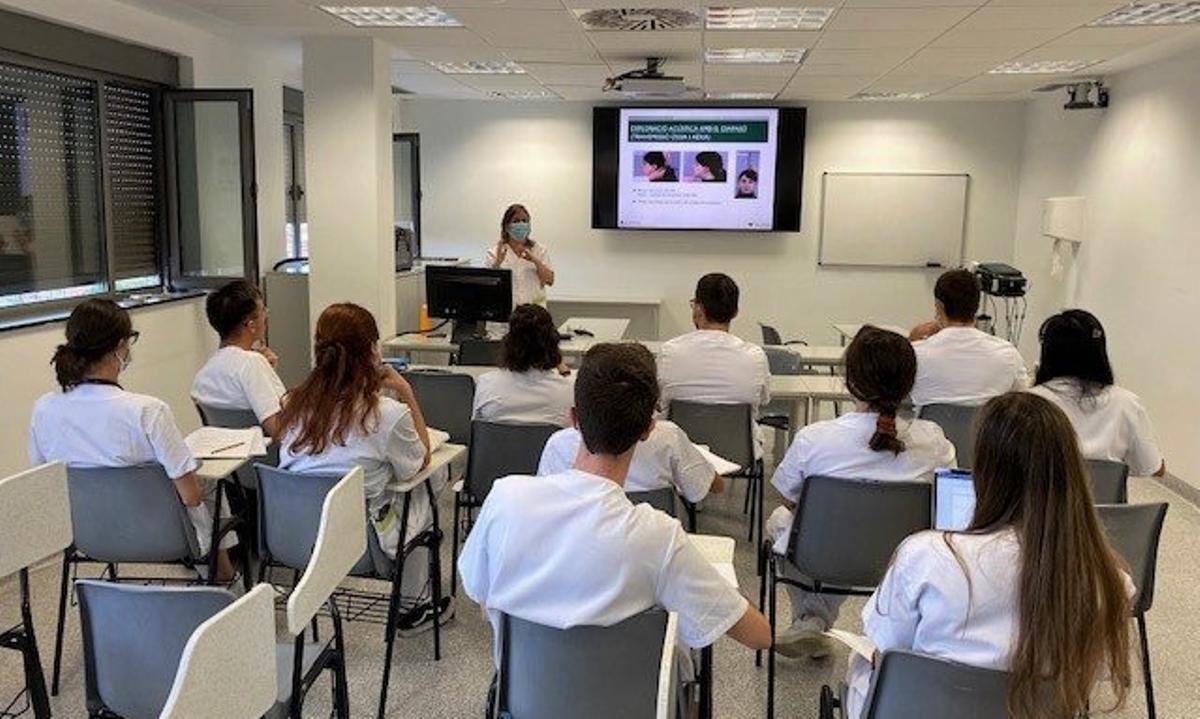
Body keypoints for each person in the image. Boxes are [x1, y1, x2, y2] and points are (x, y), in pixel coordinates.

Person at [459, 343, 771, 694]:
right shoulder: (659, 537)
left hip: (523, 704)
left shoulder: (505, 499)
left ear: (573, 419)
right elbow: (759, 636)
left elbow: (484, 601)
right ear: (648, 429)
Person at [843, 392, 1133, 719]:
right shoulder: (1107, 581)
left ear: (984, 471)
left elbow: (886, 648)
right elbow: (1094, 675)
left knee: (863, 665)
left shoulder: (927, 556)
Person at [766, 327, 955, 658]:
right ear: (909, 383)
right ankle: (821, 620)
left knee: (780, 520)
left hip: (825, 554)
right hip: (904, 562)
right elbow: (945, 504)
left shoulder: (814, 438)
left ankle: (812, 616)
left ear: (850, 381)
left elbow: (789, 498)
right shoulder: (934, 441)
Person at [28, 299, 237, 580]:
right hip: (161, 535)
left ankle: (221, 578)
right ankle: (223, 580)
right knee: (207, 487)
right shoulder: (147, 411)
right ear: (119, 347)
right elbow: (190, 496)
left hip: (88, 536)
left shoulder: (45, 408)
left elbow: (44, 482)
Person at [276, 303, 449, 632]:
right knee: (430, 481)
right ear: (372, 350)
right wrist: (405, 391)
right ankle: (412, 607)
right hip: (362, 548)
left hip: (297, 539)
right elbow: (421, 457)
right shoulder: (387, 414)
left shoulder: (293, 404)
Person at [1029, 309, 1165, 476]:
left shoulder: (1029, 403)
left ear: (1047, 351)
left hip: (1041, 500)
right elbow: (1154, 468)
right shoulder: (1127, 403)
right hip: (1104, 501)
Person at [657, 273, 770, 459]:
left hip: (679, 454)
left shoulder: (670, 352)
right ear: (735, 312)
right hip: (738, 454)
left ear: (698, 309)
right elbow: (764, 399)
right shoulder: (755, 356)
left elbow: (659, 400)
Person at [908, 269, 1028, 408]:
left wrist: (911, 342)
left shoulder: (916, 354)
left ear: (939, 307)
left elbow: (896, 392)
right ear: (976, 306)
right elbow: (1025, 399)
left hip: (930, 428)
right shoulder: (1008, 354)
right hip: (985, 429)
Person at [191, 279, 287, 438]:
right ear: (251, 325)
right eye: (263, 310)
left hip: (232, 458)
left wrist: (268, 374)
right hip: (264, 456)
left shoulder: (203, 375)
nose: (266, 315)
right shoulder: (252, 363)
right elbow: (279, 431)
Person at [472, 304, 574, 427]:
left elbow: (475, 432)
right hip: (546, 446)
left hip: (499, 445)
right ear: (552, 343)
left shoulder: (486, 383)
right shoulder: (568, 390)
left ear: (508, 343)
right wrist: (563, 370)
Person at [486, 203, 554, 308]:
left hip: (533, 314)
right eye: (516, 221)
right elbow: (488, 285)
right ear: (507, 227)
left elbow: (549, 280)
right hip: (505, 314)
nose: (521, 224)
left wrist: (534, 260)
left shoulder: (539, 250)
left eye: (524, 221)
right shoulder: (494, 252)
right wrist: (498, 262)